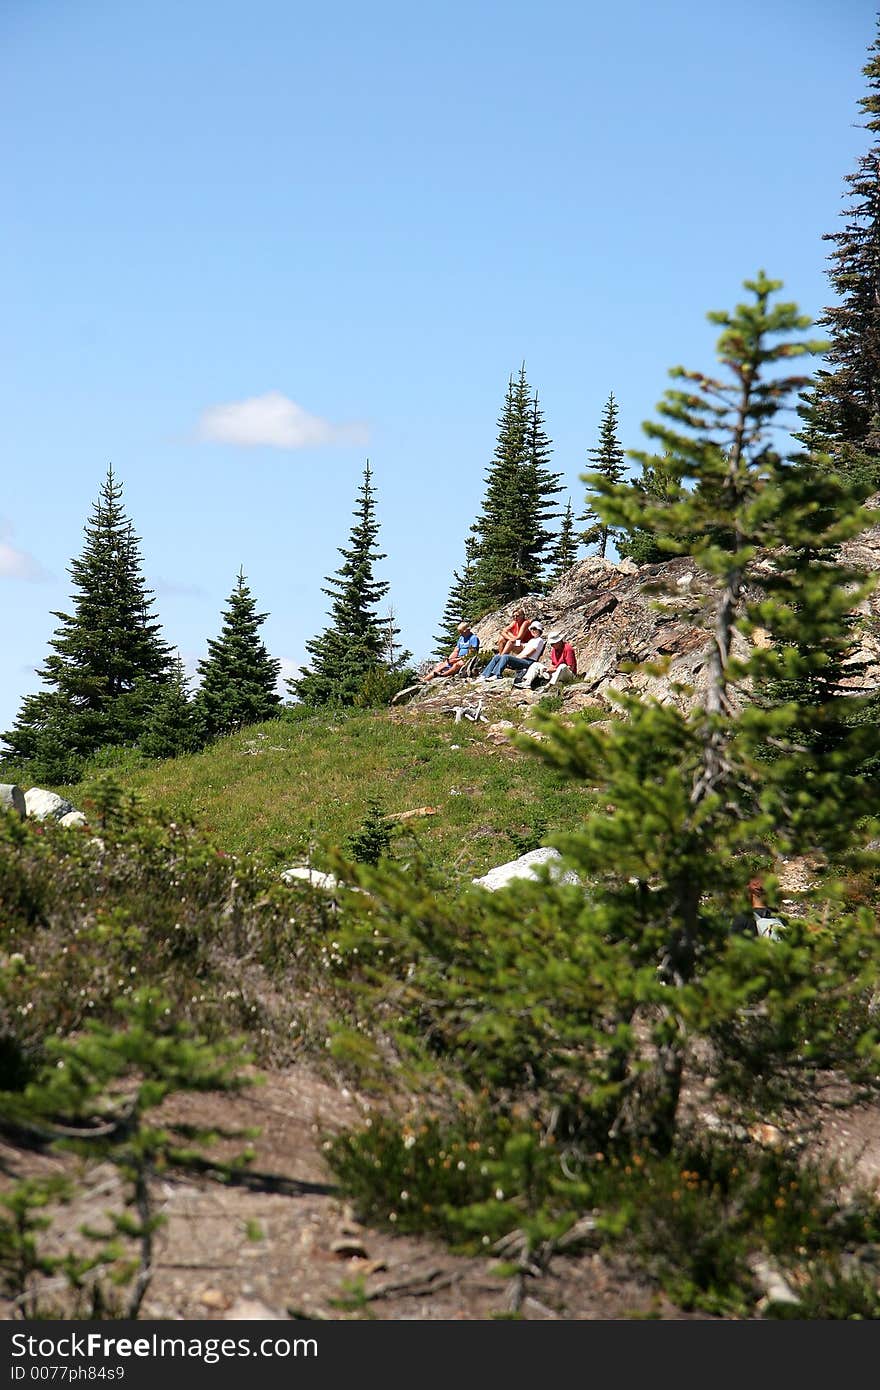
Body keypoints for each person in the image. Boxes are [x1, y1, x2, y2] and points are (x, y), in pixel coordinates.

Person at [481, 622, 545, 681]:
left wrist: (516, 658)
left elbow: (528, 654)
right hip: (523, 659)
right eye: (531, 629)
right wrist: (512, 640)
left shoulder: (539, 640)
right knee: (497, 657)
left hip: (529, 662)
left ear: (539, 630)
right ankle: (485, 675)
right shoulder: (531, 640)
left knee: (506, 657)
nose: (532, 631)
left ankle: (497, 675)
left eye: (534, 629)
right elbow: (521, 645)